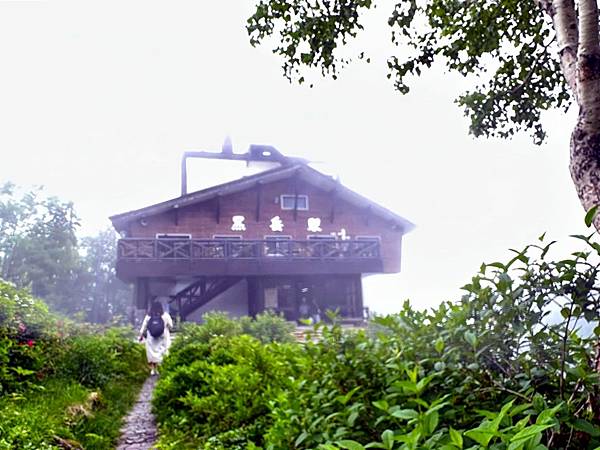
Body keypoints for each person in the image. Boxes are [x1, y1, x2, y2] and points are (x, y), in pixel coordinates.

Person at [138, 300, 173, 376]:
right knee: (163, 352)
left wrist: (140, 335)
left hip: (151, 337)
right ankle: (163, 369)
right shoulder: (165, 315)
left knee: (152, 353)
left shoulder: (148, 316)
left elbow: (143, 327)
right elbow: (171, 326)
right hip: (163, 337)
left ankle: (153, 370)